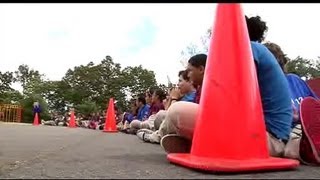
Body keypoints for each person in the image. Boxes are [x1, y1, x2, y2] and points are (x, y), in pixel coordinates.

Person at [160, 16, 293, 158]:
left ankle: (172, 136)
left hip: (266, 139)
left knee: (176, 111)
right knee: (168, 115)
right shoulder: (254, 50)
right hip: (262, 136)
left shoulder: (248, 49)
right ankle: (198, 143)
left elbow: (236, 103)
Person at [264, 42, 320, 164]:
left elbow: (314, 107)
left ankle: (308, 146)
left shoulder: (294, 80)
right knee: (285, 148)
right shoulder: (259, 87)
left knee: (292, 146)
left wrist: (300, 115)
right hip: (281, 134)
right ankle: (306, 149)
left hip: (304, 128)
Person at [137, 69, 197, 143]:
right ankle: (157, 132)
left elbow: (171, 112)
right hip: (170, 123)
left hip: (187, 124)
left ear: (189, 81)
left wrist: (174, 98)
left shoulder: (193, 95)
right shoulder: (184, 96)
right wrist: (171, 99)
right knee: (160, 115)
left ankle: (157, 136)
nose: (178, 84)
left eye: (180, 81)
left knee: (161, 114)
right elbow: (167, 112)